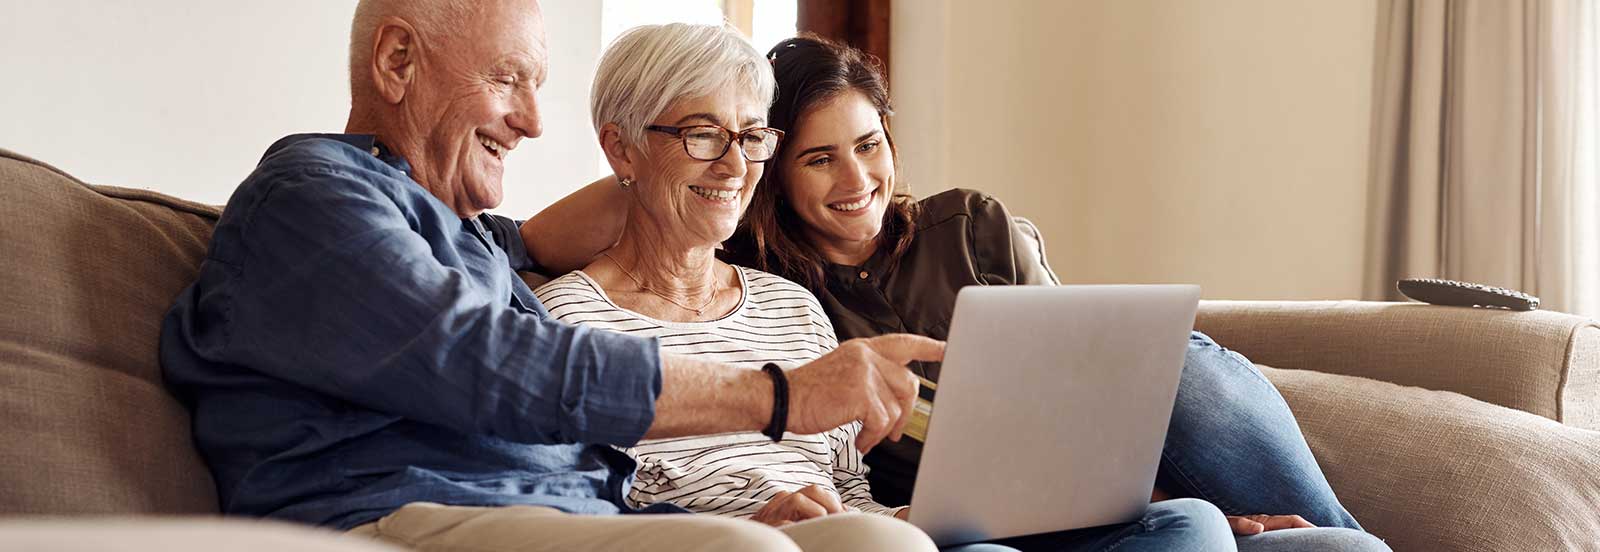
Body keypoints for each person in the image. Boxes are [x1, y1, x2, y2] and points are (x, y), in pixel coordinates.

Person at [524, 35, 1390, 552]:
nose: (855, 178)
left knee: (1222, 494)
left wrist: (1133, 493)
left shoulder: (867, 269)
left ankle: (1306, 526)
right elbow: (598, 481)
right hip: (918, 524)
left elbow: (1087, 389)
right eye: (815, 157)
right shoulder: (748, 278)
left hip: (987, 505)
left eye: (747, 138)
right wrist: (516, 240)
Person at [158, 2, 941, 551]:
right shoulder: (310, 197)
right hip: (390, 512)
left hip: (562, 517)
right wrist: (781, 395)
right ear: (398, 61)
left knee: (874, 542)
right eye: (508, 80)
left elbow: (488, 272)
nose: (533, 121)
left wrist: (529, 234)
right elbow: (489, 362)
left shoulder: (461, 237)